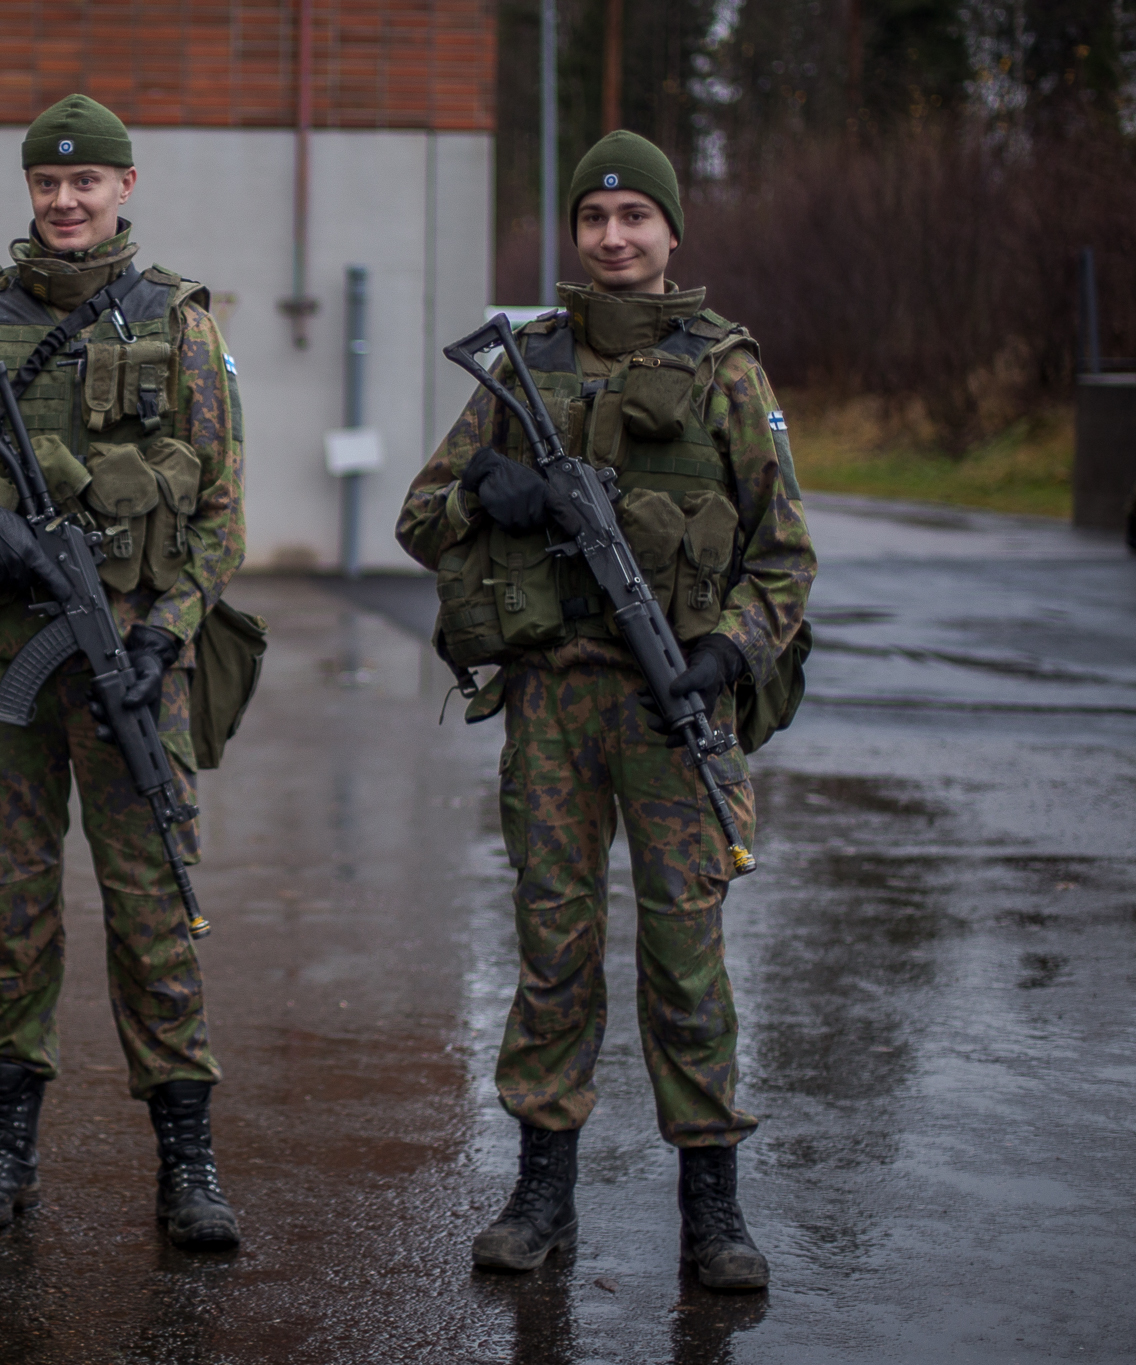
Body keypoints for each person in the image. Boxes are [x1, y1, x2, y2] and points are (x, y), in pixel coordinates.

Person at [395, 130, 815, 1291]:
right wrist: (494, 496)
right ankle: (539, 1194)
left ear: (672, 232)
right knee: (552, 951)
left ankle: (712, 1209)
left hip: (674, 710)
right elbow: (419, 519)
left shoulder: (726, 370)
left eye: (635, 217)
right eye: (594, 217)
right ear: (574, 233)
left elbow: (783, 559)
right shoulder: (521, 364)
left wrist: (724, 657)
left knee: (687, 959)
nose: (614, 237)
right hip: (551, 707)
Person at [0, 95, 246, 1249]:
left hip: (136, 669)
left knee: (154, 912)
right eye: (46, 183)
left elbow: (222, 511)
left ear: (126, 186)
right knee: (14, 909)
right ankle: (4, 1149)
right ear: (29, 191)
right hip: (0, 664)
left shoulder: (181, 326)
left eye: (86, 182)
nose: (65, 201)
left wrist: (161, 633)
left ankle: (186, 1161)